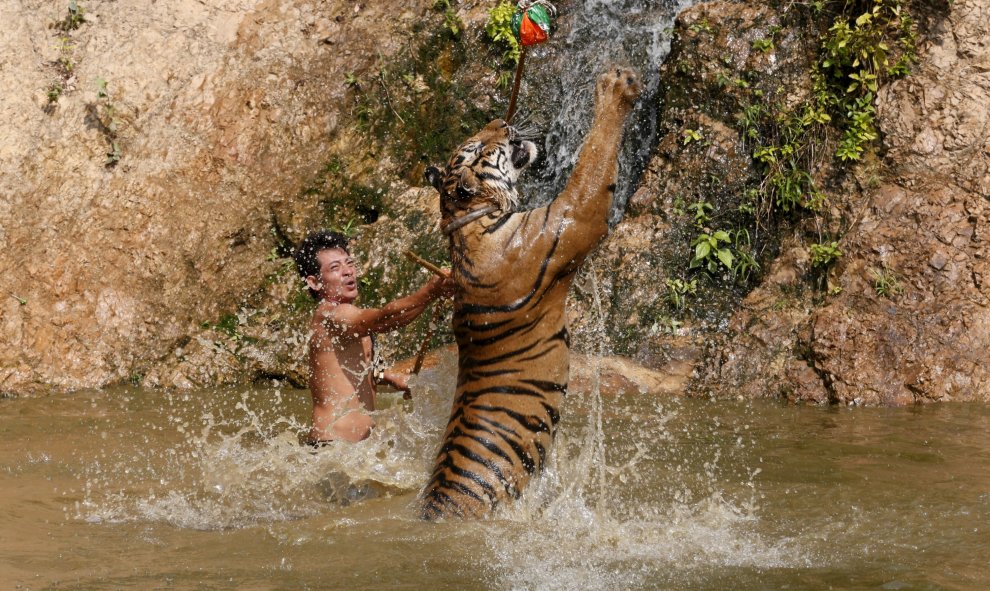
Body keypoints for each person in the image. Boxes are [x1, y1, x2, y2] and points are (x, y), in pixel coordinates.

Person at [293, 230, 453, 444]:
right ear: (314, 283)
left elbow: (353, 368)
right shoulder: (330, 314)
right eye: (335, 268)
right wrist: (430, 292)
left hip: (355, 451)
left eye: (349, 263)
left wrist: (388, 377)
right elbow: (385, 319)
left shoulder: (347, 315)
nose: (347, 272)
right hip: (331, 448)